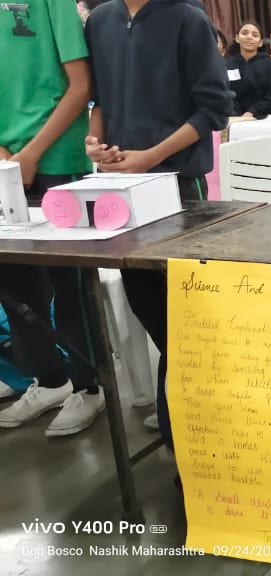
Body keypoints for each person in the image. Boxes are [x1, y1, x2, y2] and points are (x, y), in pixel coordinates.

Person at [84, 0, 233, 451]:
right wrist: (96, 144)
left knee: (188, 312)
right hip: (121, 190)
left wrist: (151, 156)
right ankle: (184, 409)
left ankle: (189, 427)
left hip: (179, 188)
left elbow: (214, 110)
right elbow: (99, 99)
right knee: (147, 303)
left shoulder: (188, 19)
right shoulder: (101, 20)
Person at [0, 0, 102, 437]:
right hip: (6, 161)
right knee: (14, 282)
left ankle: (90, 386)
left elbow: (80, 85)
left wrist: (31, 154)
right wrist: (6, 158)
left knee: (70, 283)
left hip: (57, 156)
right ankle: (50, 380)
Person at [227, 21, 271, 120]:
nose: (249, 37)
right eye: (244, 33)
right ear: (237, 38)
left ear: (260, 42)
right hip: (233, 117)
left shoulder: (270, 65)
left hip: (263, 115)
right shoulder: (227, 65)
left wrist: (252, 112)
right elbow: (225, 94)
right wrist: (235, 115)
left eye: (255, 35)